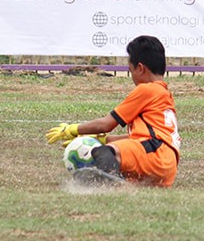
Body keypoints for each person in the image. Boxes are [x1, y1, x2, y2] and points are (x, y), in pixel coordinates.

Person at [46, 35, 181, 187]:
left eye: (130, 70)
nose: (131, 76)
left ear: (140, 68)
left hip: (156, 156)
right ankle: (120, 180)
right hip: (166, 165)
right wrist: (103, 139)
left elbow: (106, 124)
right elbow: (139, 138)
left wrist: (72, 129)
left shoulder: (147, 89)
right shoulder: (164, 94)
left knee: (103, 152)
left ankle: (109, 187)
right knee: (112, 153)